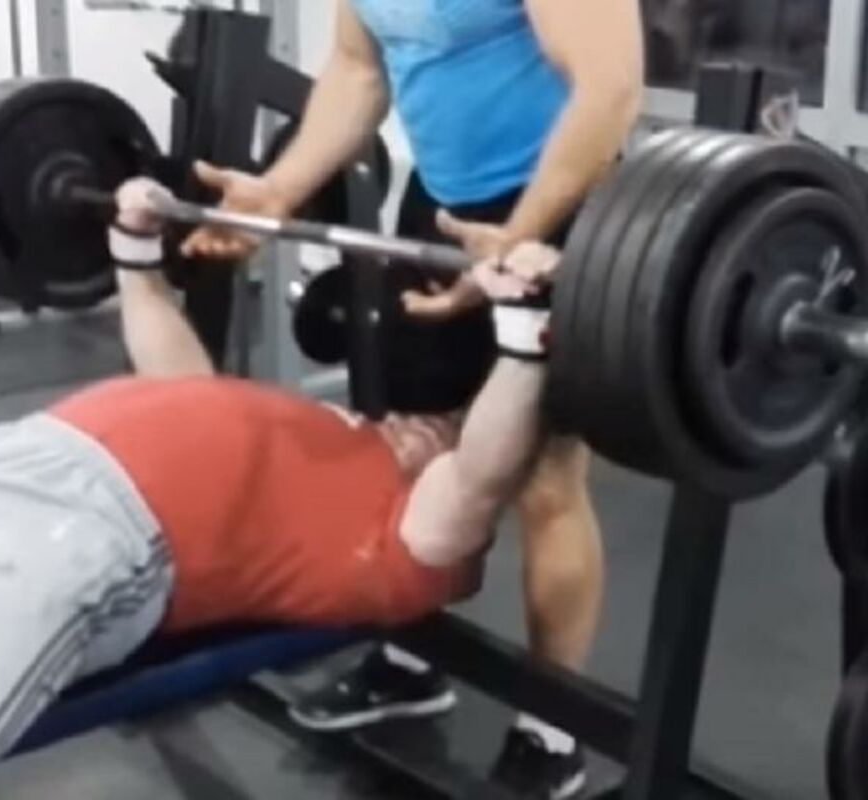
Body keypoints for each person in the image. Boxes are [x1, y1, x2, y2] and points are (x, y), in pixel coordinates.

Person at [0, 179, 561, 800]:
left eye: (444, 433)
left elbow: (480, 474)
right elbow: (177, 376)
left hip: (82, 536)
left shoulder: (407, 542)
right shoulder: (317, 431)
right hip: (0, 458)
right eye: (431, 417)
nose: (426, 424)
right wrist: (134, 251)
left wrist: (522, 338)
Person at [183, 2, 642, 795]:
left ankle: (550, 729)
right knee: (414, 446)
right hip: (439, 206)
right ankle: (409, 657)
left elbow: (610, 89)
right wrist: (280, 189)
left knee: (545, 480)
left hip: (560, 206)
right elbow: (359, 68)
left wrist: (519, 237)